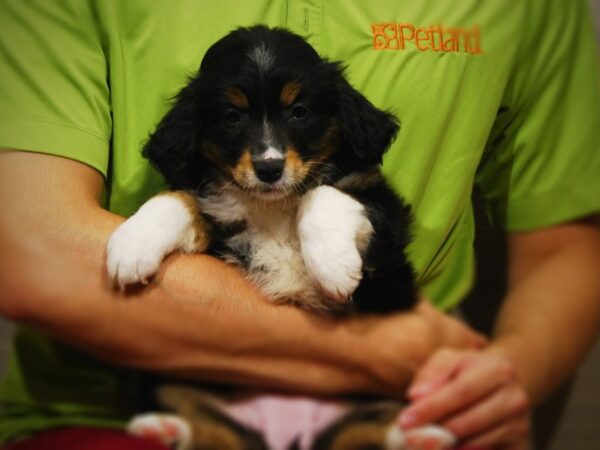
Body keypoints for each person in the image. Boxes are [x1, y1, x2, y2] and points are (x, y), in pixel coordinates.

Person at [0, 1, 599, 449]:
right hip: (123, 402)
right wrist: (384, 350)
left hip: (400, 402)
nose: (266, 152)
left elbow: (568, 244)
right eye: (235, 121)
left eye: (299, 113)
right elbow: (28, 250)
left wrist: (507, 373)